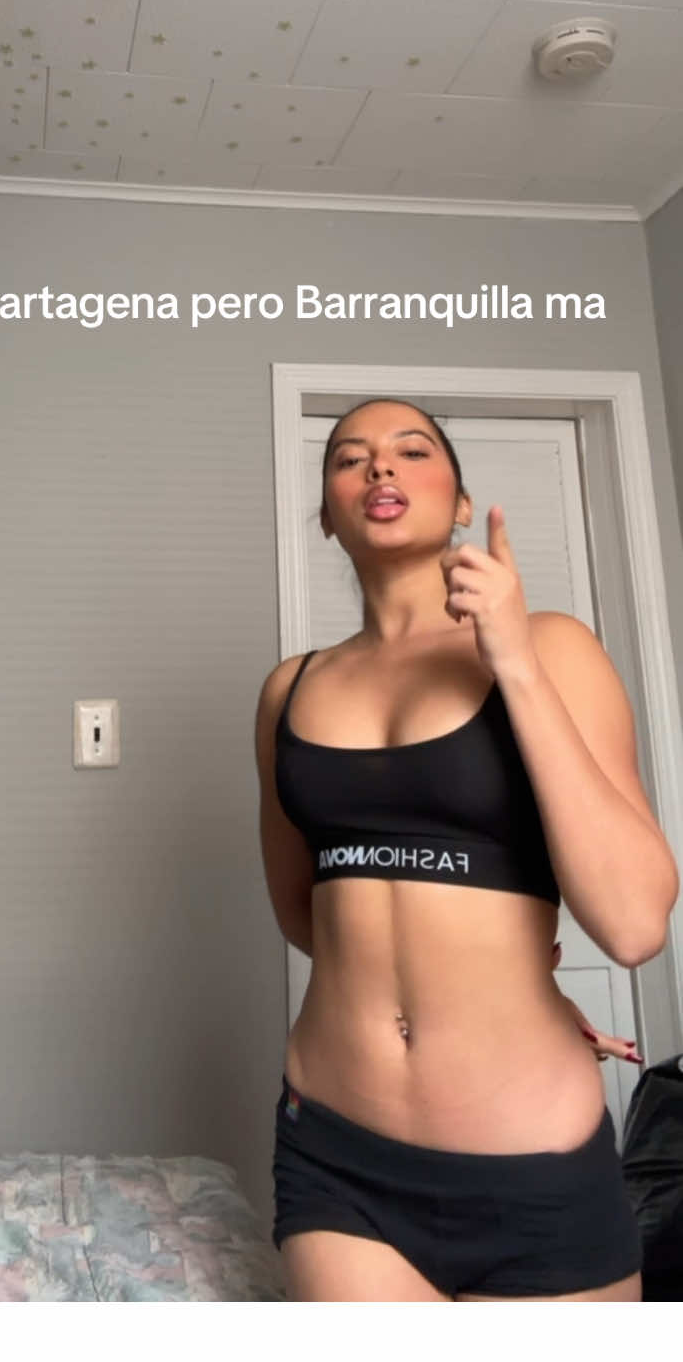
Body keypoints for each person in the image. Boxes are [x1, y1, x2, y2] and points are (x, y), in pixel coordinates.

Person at [254, 396, 679, 1302]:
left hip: (534, 1172)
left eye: (411, 450)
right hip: (335, 1157)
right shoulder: (287, 689)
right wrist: (463, 970)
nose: (379, 466)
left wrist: (512, 658)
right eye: (349, 458)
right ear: (327, 516)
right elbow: (303, 909)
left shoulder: (554, 647)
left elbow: (635, 923)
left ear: (456, 501)